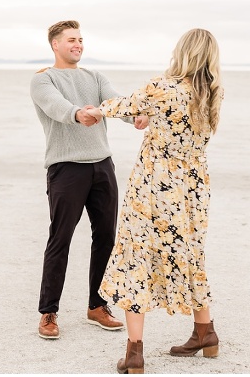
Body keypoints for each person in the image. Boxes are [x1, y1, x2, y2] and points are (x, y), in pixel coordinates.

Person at [88, 28, 223, 374]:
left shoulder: (162, 87)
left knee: (137, 259)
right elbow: (174, 121)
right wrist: (151, 117)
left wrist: (96, 109)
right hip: (193, 189)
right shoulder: (212, 94)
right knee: (190, 254)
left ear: (183, 52)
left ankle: (134, 352)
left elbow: (124, 106)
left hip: (154, 188)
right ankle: (205, 332)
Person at [30, 19, 149, 340]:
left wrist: (134, 114)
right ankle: (48, 313)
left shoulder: (94, 77)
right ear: (55, 44)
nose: (78, 44)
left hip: (102, 166)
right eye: (71, 40)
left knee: (107, 238)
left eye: (80, 39)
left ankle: (97, 306)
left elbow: (114, 102)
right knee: (60, 239)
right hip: (66, 168)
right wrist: (77, 113)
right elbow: (58, 108)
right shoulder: (43, 80)